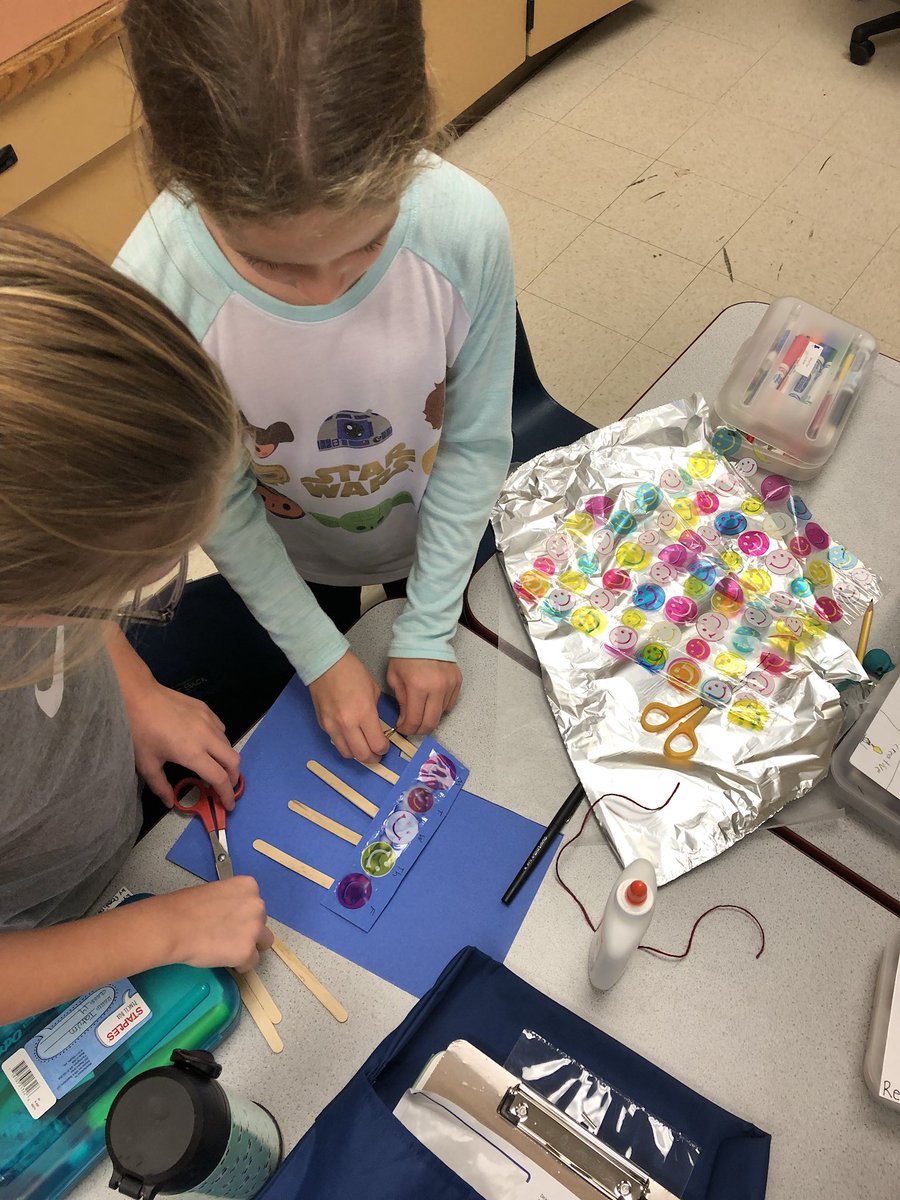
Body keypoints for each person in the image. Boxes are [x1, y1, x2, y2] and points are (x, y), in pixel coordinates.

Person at [115, 0, 516, 764]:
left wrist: (428, 623)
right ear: (183, 177)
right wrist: (321, 656)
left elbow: (473, 440)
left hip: (434, 527)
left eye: (367, 244)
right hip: (282, 549)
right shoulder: (155, 294)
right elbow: (222, 501)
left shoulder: (465, 228)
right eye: (272, 266)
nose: (325, 294)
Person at [0, 224, 271, 1025]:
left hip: (106, 853)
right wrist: (158, 929)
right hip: (46, 951)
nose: (113, 607)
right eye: (107, 590)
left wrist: (136, 691)